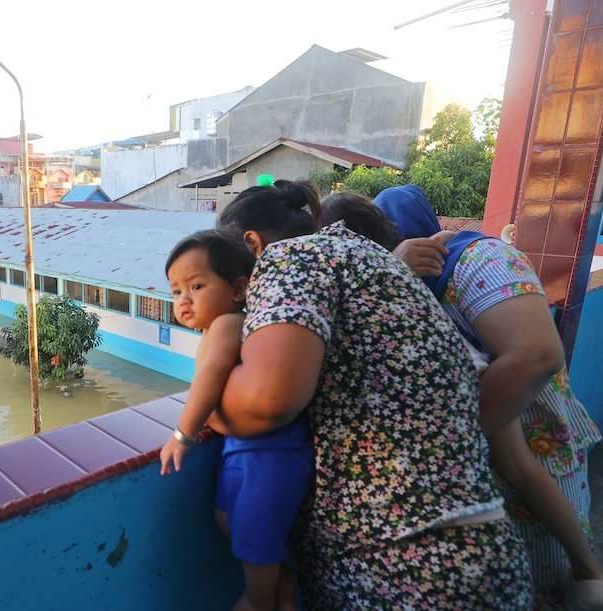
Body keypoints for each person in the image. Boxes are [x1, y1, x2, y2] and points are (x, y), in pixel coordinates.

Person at [211, 180, 531, 609]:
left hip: (403, 565)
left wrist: (202, 405)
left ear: (252, 244)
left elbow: (269, 402)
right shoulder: (375, 260)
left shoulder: (289, 260)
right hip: (473, 548)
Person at [325, 186, 603, 610]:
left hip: (526, 429)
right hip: (483, 448)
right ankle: (590, 576)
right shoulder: (406, 283)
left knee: (550, 566)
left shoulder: (478, 258)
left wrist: (451, 444)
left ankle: (591, 578)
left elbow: (536, 356)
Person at [158, 230, 312, 611]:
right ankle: (283, 584)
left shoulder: (229, 322)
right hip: (243, 452)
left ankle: (259, 601)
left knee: (255, 542)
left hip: (266, 455)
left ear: (239, 289)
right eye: (176, 291)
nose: (184, 300)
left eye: (196, 286)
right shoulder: (216, 327)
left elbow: (211, 376)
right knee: (228, 519)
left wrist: (183, 433)